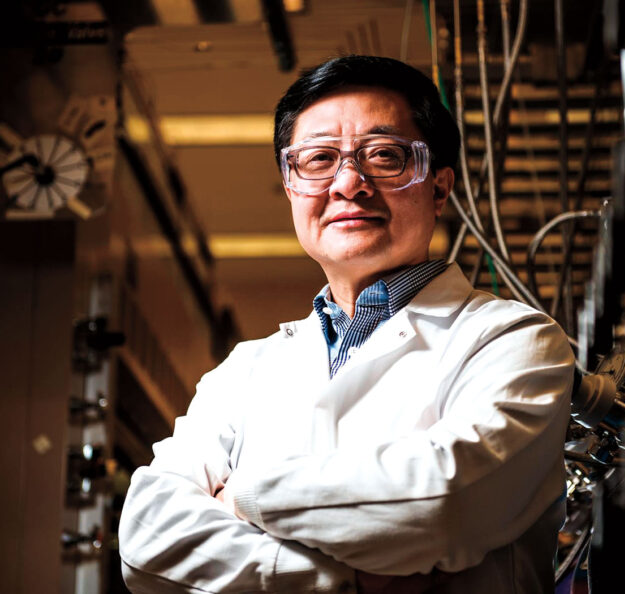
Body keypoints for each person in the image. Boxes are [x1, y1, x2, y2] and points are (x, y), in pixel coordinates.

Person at [119, 55, 574, 594]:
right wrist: (348, 582)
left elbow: (448, 503)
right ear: (291, 188)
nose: (349, 183)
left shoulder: (515, 341)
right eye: (317, 160)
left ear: (440, 186)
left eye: (385, 156)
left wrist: (244, 495)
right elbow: (148, 538)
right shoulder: (244, 372)